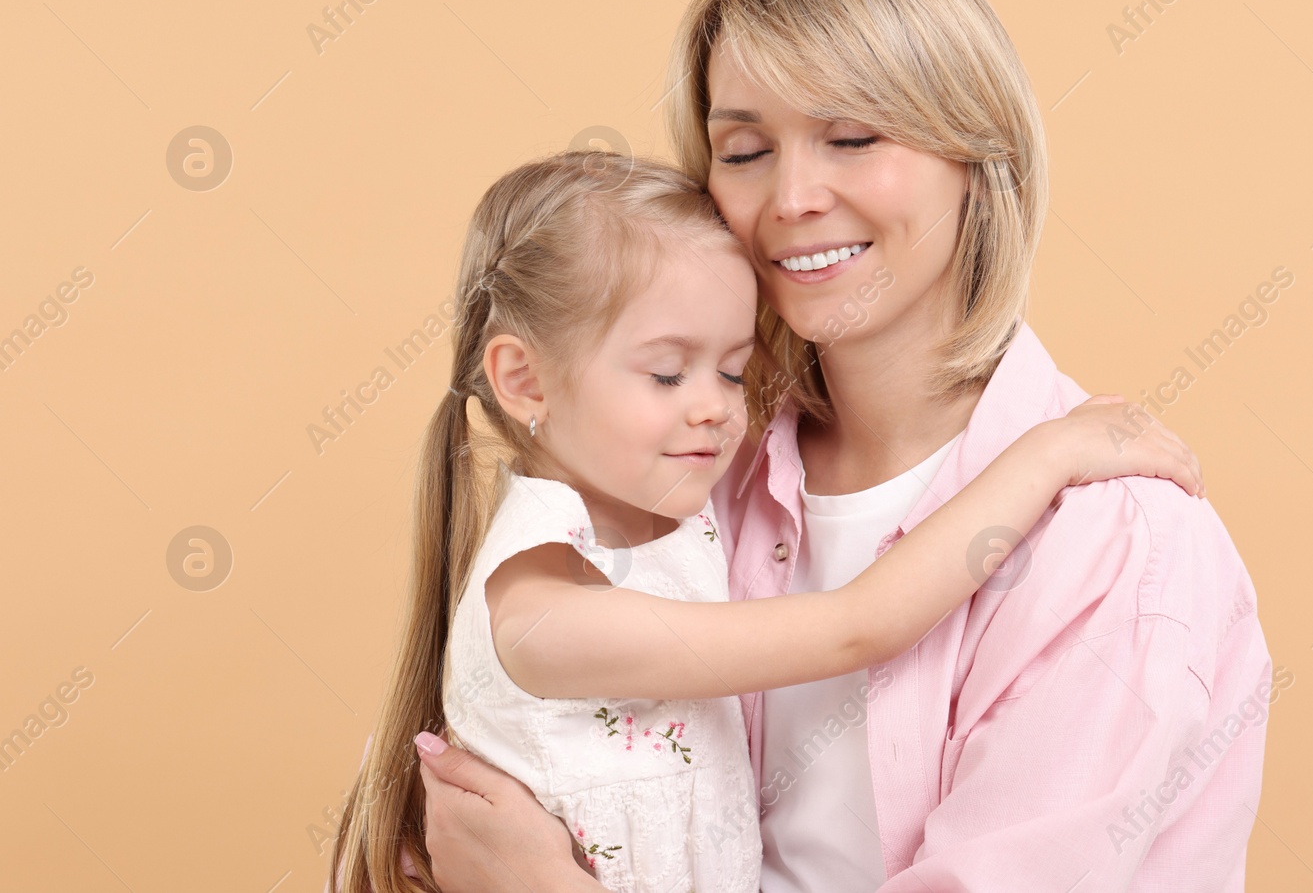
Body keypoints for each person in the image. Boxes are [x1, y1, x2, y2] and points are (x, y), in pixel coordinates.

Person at [416, 0, 1272, 892]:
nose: (791, 196)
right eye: (742, 149)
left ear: (977, 157)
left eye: (852, 137)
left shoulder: (1116, 540)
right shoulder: (683, 482)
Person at [328, 151, 1204, 893]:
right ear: (524, 382)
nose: (714, 408)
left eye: (732, 369)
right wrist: (1042, 457)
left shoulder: (677, 530)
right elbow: (855, 626)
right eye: (668, 374)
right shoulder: (540, 615)